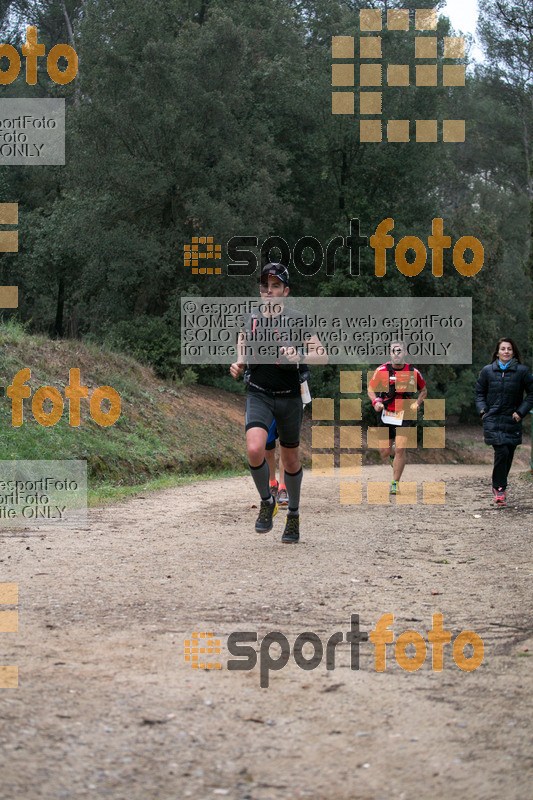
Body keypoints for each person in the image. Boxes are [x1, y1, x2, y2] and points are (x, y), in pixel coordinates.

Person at [230, 263, 328, 543]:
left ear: (285, 291)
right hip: (259, 393)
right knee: (254, 448)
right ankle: (266, 501)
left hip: (289, 398)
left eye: (275, 286)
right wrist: (237, 362)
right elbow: (242, 342)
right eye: (265, 286)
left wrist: (297, 355)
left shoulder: (297, 319)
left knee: (290, 459)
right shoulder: (249, 318)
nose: (269, 291)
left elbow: (322, 355)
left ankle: (293, 516)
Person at [475, 337, 533, 506]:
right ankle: (499, 488)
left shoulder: (522, 371)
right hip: (492, 418)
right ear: (497, 352)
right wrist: (483, 411)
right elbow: (479, 393)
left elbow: (531, 394)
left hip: (512, 418)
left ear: (513, 352)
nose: (506, 351)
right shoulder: (487, 371)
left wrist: (521, 412)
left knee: (509, 452)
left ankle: (500, 485)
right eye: (503, 349)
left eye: (509, 349)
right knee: (501, 451)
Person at [367, 341, 427, 494]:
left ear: (405, 352)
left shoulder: (413, 372)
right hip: (385, 412)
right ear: (390, 353)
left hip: (404, 413)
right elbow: (370, 389)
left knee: (401, 448)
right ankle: (393, 454)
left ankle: (395, 482)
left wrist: (417, 403)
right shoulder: (381, 370)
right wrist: (375, 402)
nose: (396, 353)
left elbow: (423, 391)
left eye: (399, 351)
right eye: (394, 351)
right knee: (384, 451)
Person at [265, 422, 289, 506]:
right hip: (269, 412)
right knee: (268, 452)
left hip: (286, 410)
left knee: (285, 448)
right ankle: (273, 484)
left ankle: (283, 488)